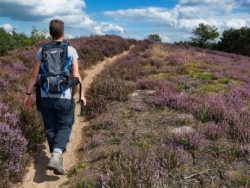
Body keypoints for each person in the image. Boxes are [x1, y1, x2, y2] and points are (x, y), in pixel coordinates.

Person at [24, 19, 87, 175]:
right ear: (63, 33)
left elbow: (34, 76)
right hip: (64, 96)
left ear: (50, 33)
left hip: (44, 96)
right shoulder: (71, 50)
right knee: (65, 124)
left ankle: (55, 156)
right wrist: (83, 95)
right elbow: (76, 75)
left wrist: (27, 95)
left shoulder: (42, 50)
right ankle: (57, 155)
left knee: (50, 126)